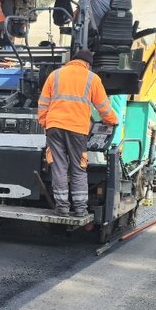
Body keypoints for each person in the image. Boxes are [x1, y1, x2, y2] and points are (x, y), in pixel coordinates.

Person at [38, 50, 119, 217]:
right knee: (78, 168)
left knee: (59, 167)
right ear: (88, 64)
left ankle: (62, 208)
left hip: (54, 127)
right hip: (77, 130)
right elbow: (103, 107)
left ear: (73, 61)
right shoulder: (92, 78)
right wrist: (112, 121)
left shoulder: (55, 75)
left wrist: (45, 122)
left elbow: (43, 102)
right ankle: (80, 209)